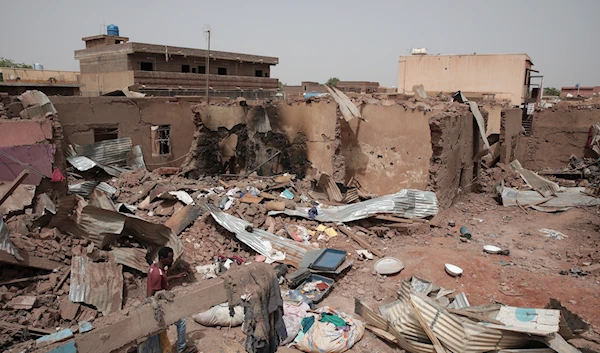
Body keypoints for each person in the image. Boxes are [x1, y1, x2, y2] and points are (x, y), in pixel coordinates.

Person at [145, 247, 192, 353]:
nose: (172, 260)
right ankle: (181, 348)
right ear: (162, 258)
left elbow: (163, 278)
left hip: (159, 303)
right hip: (160, 305)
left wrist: (176, 277)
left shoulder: (154, 267)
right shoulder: (157, 274)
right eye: (170, 258)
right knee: (181, 322)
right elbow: (152, 294)